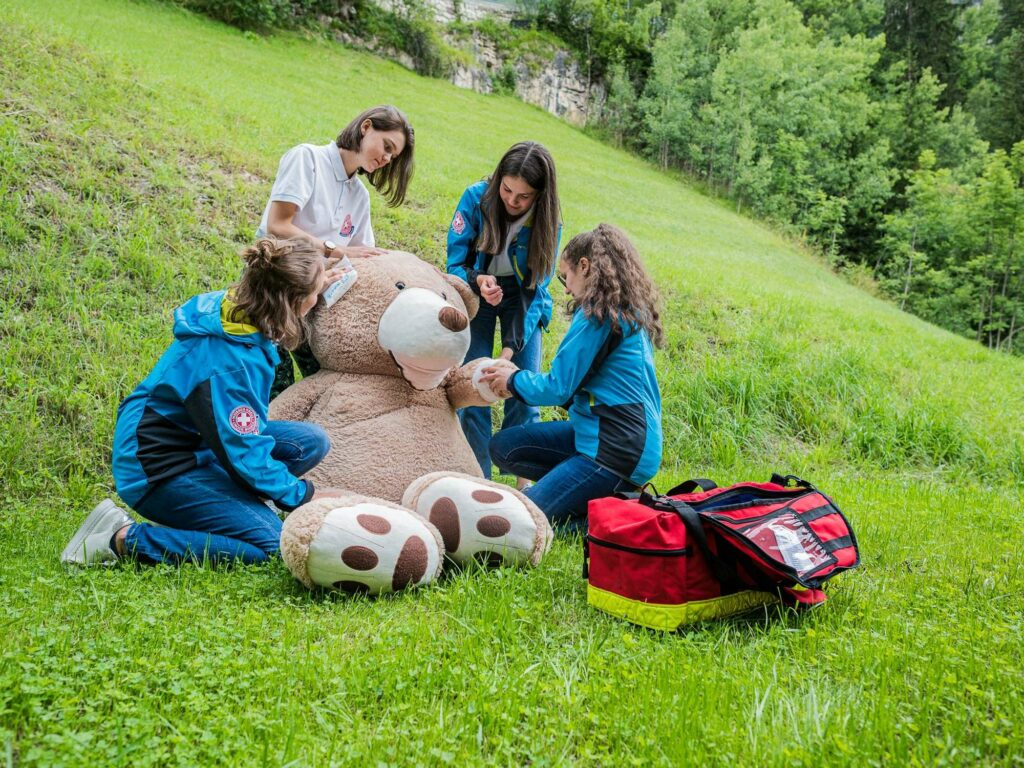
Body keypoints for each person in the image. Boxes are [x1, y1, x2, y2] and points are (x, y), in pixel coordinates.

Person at [61, 238, 347, 567]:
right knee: (270, 545)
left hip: (197, 444)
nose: (317, 295)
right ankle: (119, 539)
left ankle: (231, 511)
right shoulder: (228, 364)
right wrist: (303, 496)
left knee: (309, 442)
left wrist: (313, 286)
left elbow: (237, 437)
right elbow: (241, 449)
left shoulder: (240, 310)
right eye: (313, 291)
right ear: (291, 301)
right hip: (157, 469)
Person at [481, 224, 664, 535]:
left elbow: (558, 386)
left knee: (526, 522)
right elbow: (576, 388)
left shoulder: (600, 314)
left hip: (615, 450)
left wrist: (513, 380)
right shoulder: (626, 310)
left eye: (566, 277)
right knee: (504, 447)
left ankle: (615, 513)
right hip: (601, 435)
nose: (565, 288)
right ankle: (585, 491)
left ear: (585, 266)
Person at [258, 105, 416, 398]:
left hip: (316, 299)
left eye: (392, 155)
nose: (386, 158)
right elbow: (277, 225)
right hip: (274, 291)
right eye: (387, 146)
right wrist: (333, 250)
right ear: (366, 127)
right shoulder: (308, 159)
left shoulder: (359, 196)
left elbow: (363, 258)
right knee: (275, 389)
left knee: (327, 385)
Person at [446, 141, 561, 483]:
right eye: (507, 190)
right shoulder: (475, 198)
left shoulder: (548, 222)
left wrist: (509, 351)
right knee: (474, 386)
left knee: (523, 391)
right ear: (498, 180)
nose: (512, 201)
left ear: (540, 196)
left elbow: (537, 289)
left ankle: (522, 479)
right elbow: (454, 264)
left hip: (524, 299)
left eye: (523, 196)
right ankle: (479, 481)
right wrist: (477, 280)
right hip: (476, 289)